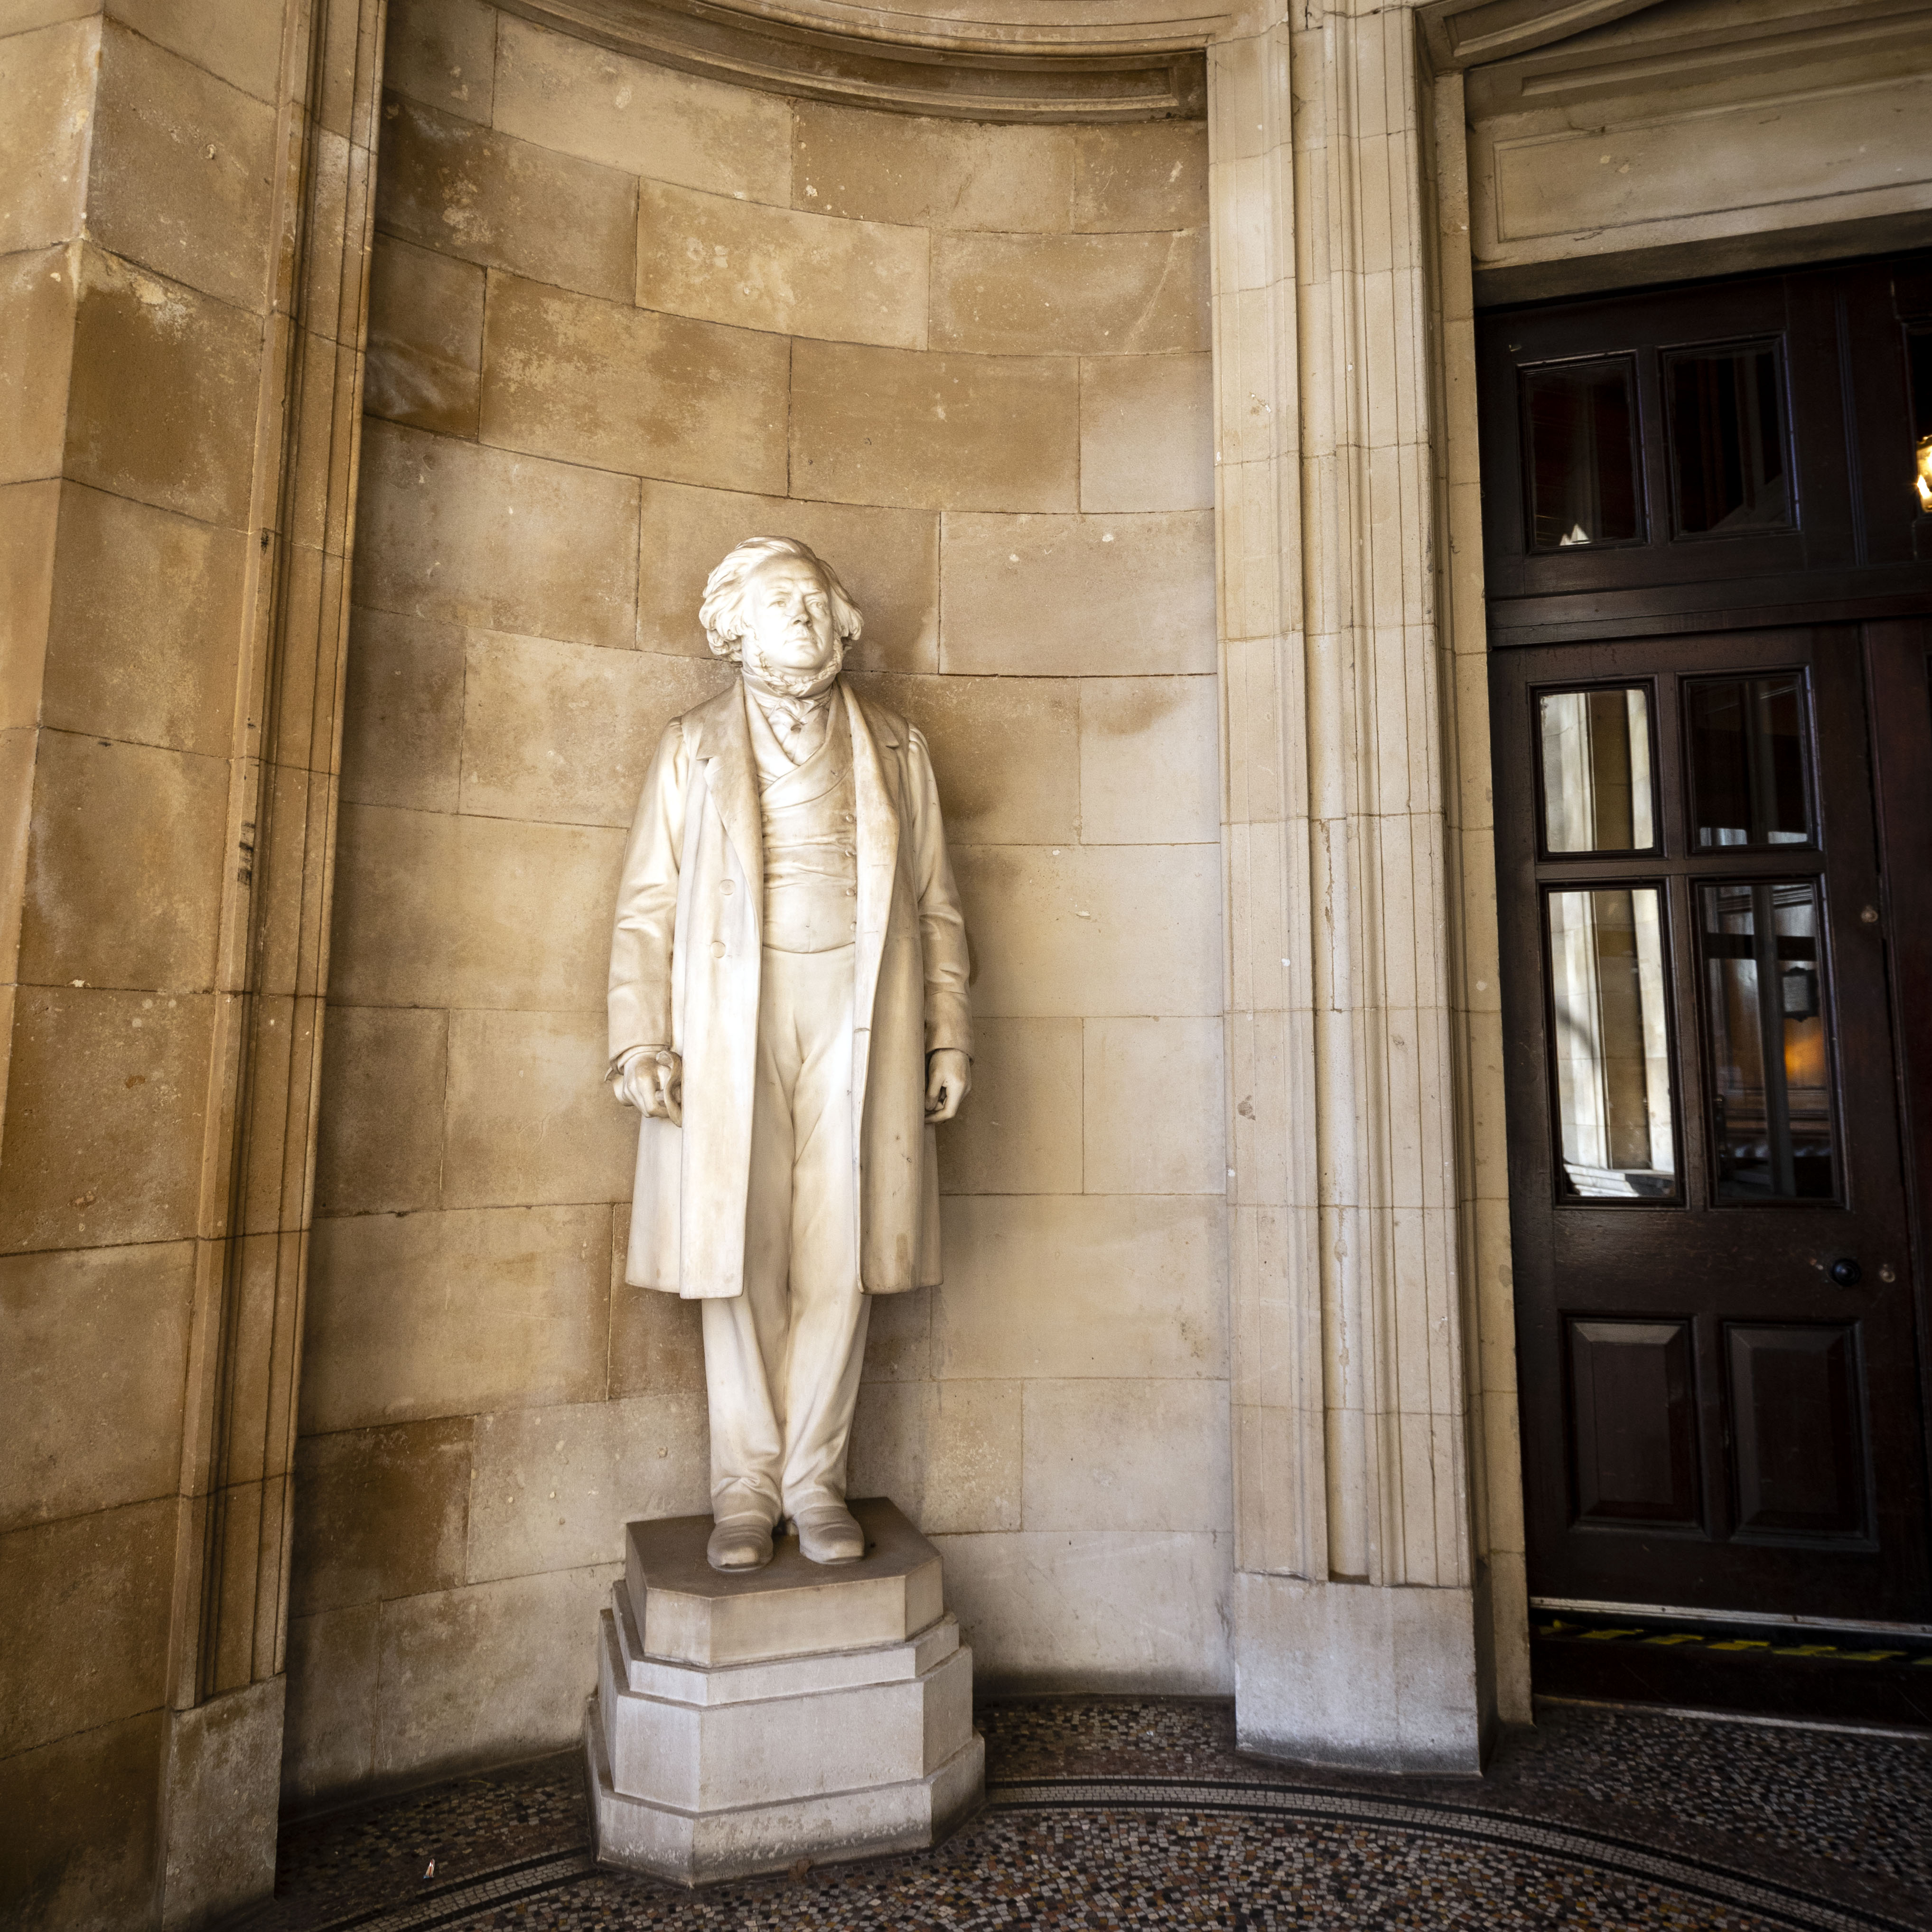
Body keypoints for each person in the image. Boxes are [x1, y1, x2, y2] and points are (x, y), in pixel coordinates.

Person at [607, 537, 972, 1572]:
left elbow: (937, 904)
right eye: (779, 603)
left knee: (839, 1249)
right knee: (741, 1252)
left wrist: (947, 1030)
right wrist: (640, 1034)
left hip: (863, 1015)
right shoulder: (691, 746)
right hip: (732, 1016)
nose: (804, 617)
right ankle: (742, 1484)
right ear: (733, 627)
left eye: (815, 600)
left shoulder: (897, 748)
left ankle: (814, 1479)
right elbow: (643, 907)